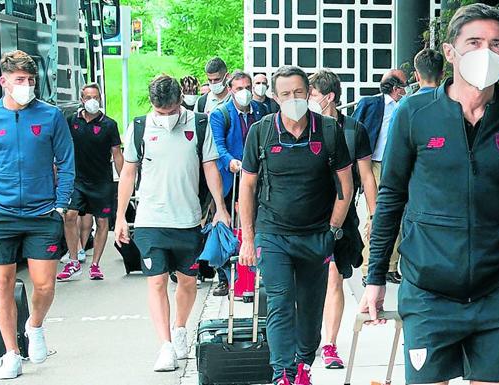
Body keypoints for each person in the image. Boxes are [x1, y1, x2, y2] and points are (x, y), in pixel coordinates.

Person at [361, 4, 499, 385]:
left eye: (496, 44)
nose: (486, 52)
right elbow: (391, 197)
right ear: (450, 52)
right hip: (429, 292)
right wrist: (375, 276)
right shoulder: (415, 114)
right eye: (474, 42)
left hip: (498, 292)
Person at [239, 65, 354, 385]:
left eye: (299, 93)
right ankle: (283, 374)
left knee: (310, 309)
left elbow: (346, 186)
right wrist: (248, 238)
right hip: (272, 233)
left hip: (316, 235)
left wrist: (332, 230)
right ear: (275, 97)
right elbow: (246, 187)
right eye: (286, 94)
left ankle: (303, 364)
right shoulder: (261, 131)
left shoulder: (328, 131)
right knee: (279, 302)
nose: (293, 99)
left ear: (309, 93)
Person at [0, 50, 74, 379]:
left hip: (43, 213)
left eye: (30, 80)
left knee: (44, 285)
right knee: (3, 283)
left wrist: (60, 203)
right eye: (19, 80)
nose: (26, 85)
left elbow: (67, 162)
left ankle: (35, 325)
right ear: (4, 82)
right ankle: (11, 353)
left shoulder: (50, 116)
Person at [115, 75, 230, 372]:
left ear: (180, 101)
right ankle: (165, 345)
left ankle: (180, 328)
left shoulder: (199, 124)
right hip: (151, 219)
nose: (165, 117)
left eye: (171, 112)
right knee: (156, 282)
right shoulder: (139, 126)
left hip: (188, 220)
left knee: (188, 282)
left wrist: (220, 208)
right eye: (160, 112)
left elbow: (210, 169)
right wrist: (120, 217)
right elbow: (128, 174)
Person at [308, 69, 377, 370]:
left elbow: (367, 177)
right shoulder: (300, 129)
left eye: (310, 95)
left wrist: (375, 217)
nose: (305, 100)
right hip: (304, 215)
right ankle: (305, 341)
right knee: (308, 282)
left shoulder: (353, 130)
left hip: (341, 215)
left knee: (334, 277)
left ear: (329, 97)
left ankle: (330, 343)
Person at [209, 70, 267, 296]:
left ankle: (254, 273)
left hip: (257, 177)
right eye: (239, 88)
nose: (245, 92)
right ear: (231, 90)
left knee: (252, 224)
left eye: (247, 87)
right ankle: (224, 277)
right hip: (230, 178)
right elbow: (218, 145)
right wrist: (230, 161)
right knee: (226, 227)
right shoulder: (220, 114)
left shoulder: (261, 111)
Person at [57, 83, 123, 281]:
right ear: (82, 99)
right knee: (70, 216)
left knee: (101, 221)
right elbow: (62, 148)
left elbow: (117, 154)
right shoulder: (71, 121)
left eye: (95, 97)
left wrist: (124, 181)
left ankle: (95, 264)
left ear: (100, 99)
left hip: (101, 181)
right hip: (77, 179)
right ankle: (74, 261)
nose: (92, 100)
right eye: (88, 97)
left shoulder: (109, 125)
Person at [352, 68, 408, 285]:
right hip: (373, 164)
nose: (407, 88)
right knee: (375, 216)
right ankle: (369, 269)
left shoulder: (406, 106)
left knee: (399, 216)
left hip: (397, 165)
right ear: (395, 88)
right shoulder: (370, 103)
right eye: (404, 84)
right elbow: (355, 129)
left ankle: (391, 267)